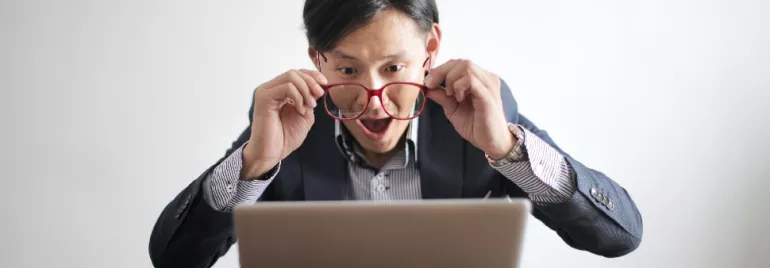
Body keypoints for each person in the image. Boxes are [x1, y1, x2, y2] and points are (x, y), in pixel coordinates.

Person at [149, 0, 643, 267]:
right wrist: (253, 165)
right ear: (317, 59)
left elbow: (619, 237)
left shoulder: (479, 114)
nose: (373, 93)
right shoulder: (287, 123)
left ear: (431, 49)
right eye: (347, 69)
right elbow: (173, 261)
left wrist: (506, 149)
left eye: (394, 66)